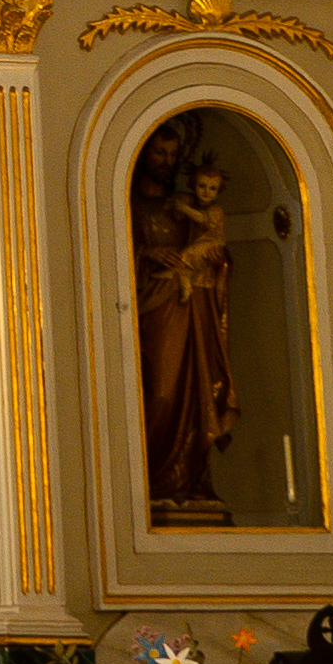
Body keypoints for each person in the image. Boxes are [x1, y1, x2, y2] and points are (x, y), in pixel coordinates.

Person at [133, 140, 240, 522]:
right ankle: (151, 480)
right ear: (144, 155)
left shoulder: (188, 205)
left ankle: (186, 480)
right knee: (159, 394)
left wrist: (216, 260)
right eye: (159, 152)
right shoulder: (131, 206)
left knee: (197, 394)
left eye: (174, 154)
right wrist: (147, 254)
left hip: (193, 308)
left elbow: (215, 247)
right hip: (153, 309)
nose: (167, 161)